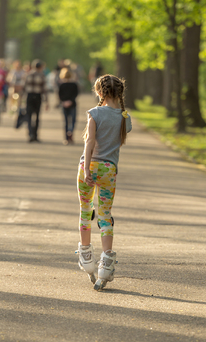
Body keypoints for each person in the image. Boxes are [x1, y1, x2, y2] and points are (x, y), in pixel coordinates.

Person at [76, 74, 132, 291]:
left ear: (99, 92)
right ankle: (106, 264)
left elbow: (89, 143)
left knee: (85, 210)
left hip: (88, 168)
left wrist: (88, 167)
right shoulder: (125, 117)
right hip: (109, 170)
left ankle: (86, 257)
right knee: (105, 215)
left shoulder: (95, 113)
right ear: (120, 93)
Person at [24, 59, 49, 142]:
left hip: (29, 96)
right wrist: (46, 101)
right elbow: (44, 89)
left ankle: (30, 133)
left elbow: (24, 87)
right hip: (37, 96)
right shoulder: (41, 75)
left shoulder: (28, 74)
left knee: (29, 116)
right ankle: (35, 135)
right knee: (37, 116)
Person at [58, 67, 79, 145]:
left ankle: (66, 137)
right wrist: (70, 101)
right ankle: (71, 133)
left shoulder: (61, 85)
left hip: (64, 104)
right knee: (73, 120)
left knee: (66, 121)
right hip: (72, 104)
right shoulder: (74, 84)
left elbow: (59, 95)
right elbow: (76, 94)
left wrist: (64, 102)